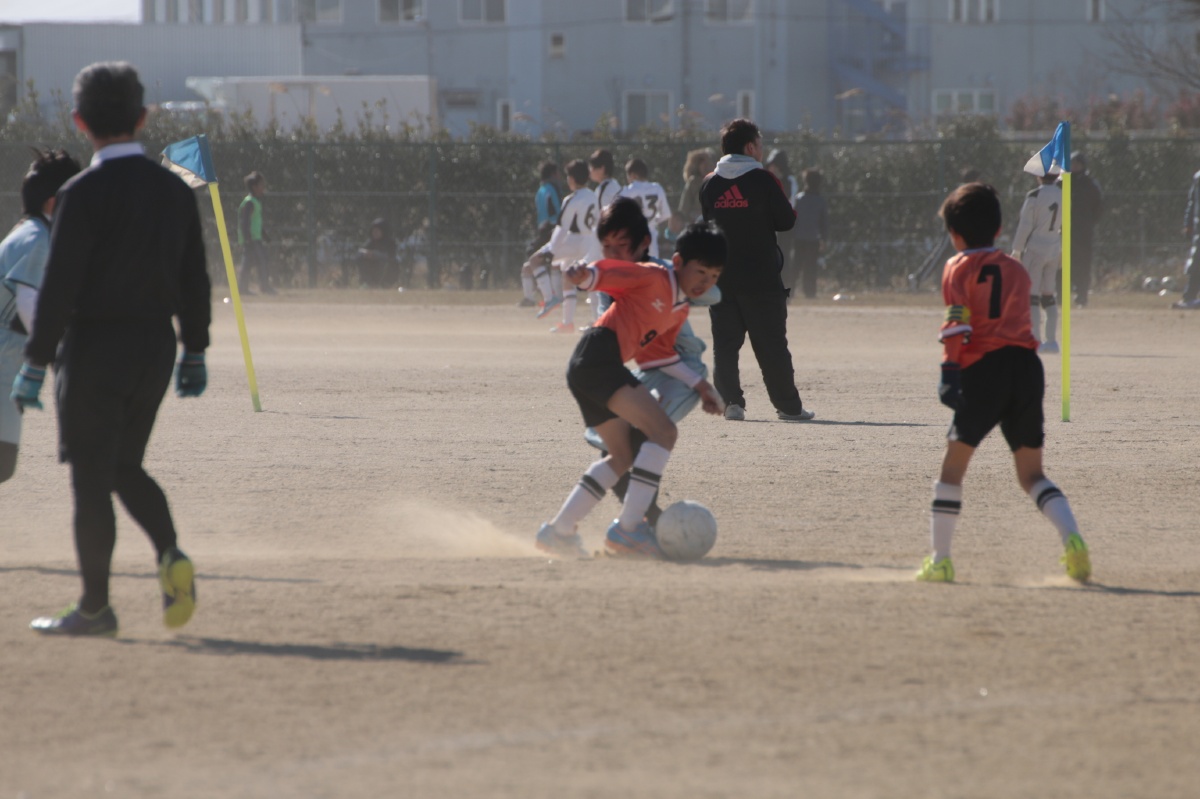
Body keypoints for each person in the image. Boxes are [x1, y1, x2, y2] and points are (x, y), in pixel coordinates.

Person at [11, 61, 211, 636]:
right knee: (124, 464)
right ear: (143, 118)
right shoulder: (173, 189)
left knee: (91, 480)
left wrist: (35, 363)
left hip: (96, 349)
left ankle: (95, 609)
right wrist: (194, 349)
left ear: (79, 122)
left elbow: (61, 286)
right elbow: (195, 278)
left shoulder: (80, 193)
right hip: (154, 348)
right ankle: (170, 554)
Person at [916, 182, 1090, 584]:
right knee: (1032, 475)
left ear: (954, 234)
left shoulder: (957, 266)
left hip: (984, 369)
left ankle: (941, 561)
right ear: (997, 230)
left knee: (952, 471)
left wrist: (949, 372)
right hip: (1027, 368)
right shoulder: (1016, 268)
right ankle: (1073, 539)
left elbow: (957, 322)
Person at [534, 221, 725, 560]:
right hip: (599, 359)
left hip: (589, 366)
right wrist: (586, 276)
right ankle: (629, 528)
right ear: (678, 262)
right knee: (664, 433)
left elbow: (659, 356)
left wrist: (701, 385)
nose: (705, 282)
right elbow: (615, 273)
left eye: (713, 276)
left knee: (621, 456)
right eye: (700, 271)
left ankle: (558, 531)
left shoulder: (679, 308)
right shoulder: (655, 277)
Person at [581, 197, 722, 528]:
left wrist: (689, 281)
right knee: (625, 442)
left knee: (647, 436)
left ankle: (643, 518)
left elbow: (714, 294)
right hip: (648, 369)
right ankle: (640, 520)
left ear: (643, 244)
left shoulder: (662, 274)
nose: (613, 254)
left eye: (622, 246)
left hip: (680, 370)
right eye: (606, 246)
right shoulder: (613, 284)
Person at [700, 117, 813, 422]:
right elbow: (786, 221)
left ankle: (731, 404)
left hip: (721, 278)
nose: (762, 149)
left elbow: (707, 222)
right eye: (760, 143)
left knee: (725, 345)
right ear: (750, 147)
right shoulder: (764, 180)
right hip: (761, 277)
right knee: (772, 345)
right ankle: (788, 407)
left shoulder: (709, 183)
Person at [0, 149, 81, 487]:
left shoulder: (30, 231)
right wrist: (61, 354)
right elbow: (30, 306)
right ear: (54, 202)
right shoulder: (37, 239)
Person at [524, 159, 600, 333]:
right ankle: (569, 323)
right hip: (589, 242)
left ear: (571, 179)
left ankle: (550, 298)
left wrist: (551, 250)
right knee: (569, 277)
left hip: (573, 240)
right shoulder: (593, 196)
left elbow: (562, 228)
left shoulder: (572, 199)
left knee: (534, 260)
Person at [1010, 171, 1063, 353]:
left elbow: (1025, 224)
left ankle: (1036, 340)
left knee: (1031, 296)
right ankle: (1052, 341)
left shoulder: (1034, 195)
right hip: (1054, 246)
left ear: (1039, 176)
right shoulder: (1063, 194)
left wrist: (1017, 249)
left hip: (1036, 248)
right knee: (1048, 295)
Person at [909, 167, 981, 291]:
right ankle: (917, 278)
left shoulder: (971, 193)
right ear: (973, 180)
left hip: (963, 233)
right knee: (939, 255)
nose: (980, 182)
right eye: (978, 179)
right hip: (954, 231)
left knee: (968, 258)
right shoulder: (963, 192)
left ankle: (965, 285)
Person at [1061, 151, 1103, 308]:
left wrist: (1089, 222)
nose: (1074, 167)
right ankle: (1061, 295)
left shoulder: (1090, 184)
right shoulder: (1062, 182)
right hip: (1063, 229)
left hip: (1083, 231)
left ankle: (1081, 296)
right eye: (1072, 164)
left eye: (1077, 164)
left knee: (1083, 263)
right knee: (1061, 263)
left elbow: (1099, 206)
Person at [521, 161, 562, 307]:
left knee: (534, 262)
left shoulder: (540, 190)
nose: (559, 176)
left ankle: (534, 297)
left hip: (543, 231)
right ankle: (553, 297)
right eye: (557, 173)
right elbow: (557, 211)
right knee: (551, 262)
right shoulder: (552, 189)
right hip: (551, 230)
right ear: (553, 174)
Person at [617, 157, 672, 258]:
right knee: (651, 265)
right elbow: (666, 214)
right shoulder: (657, 188)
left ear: (633, 175)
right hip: (651, 236)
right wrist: (653, 221)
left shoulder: (626, 191)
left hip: (632, 237)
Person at [788, 167, 828, 300]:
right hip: (813, 239)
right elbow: (823, 223)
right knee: (811, 268)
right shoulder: (820, 201)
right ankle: (810, 293)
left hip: (798, 238)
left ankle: (790, 291)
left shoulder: (799, 199)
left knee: (795, 266)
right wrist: (824, 239)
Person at [237, 170, 273, 294]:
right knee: (258, 262)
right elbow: (245, 222)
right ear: (254, 187)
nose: (263, 187)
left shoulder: (255, 202)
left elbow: (256, 223)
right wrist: (247, 238)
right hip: (251, 239)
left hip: (255, 238)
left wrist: (265, 236)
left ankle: (246, 288)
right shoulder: (249, 203)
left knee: (256, 262)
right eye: (261, 185)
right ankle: (262, 287)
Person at [1171, 167, 1200, 309]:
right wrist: (1188, 225)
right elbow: (1192, 203)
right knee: (1196, 262)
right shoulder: (1198, 178)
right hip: (1199, 228)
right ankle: (1189, 297)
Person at [354, 217, 397, 288]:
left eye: (377, 230)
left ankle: (384, 284)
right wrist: (365, 253)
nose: (375, 233)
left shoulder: (390, 243)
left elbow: (390, 257)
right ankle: (367, 283)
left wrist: (374, 255)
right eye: (373, 230)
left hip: (385, 271)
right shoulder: (371, 242)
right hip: (372, 270)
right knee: (360, 258)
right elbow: (360, 252)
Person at [678, 148, 714, 224]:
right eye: (703, 165)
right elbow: (685, 206)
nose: (707, 168)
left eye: (708, 165)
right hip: (696, 221)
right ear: (697, 166)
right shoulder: (693, 182)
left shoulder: (715, 181)